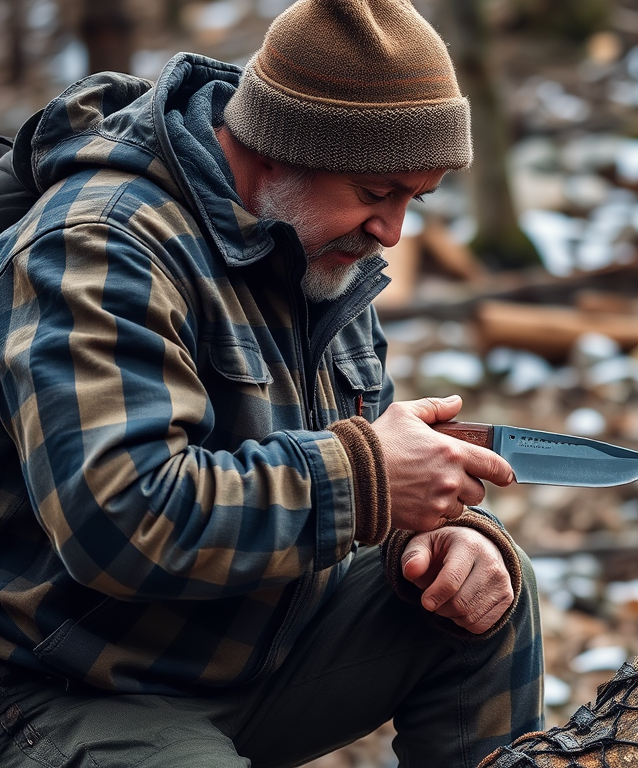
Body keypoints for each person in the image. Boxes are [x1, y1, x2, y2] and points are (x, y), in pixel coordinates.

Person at [0, 0, 544, 765]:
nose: (393, 233)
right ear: (278, 149)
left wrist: (436, 534)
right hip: (66, 688)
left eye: (412, 200)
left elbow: (355, 489)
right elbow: (119, 521)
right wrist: (363, 477)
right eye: (376, 192)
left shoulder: (320, 252)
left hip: (249, 655)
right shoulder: (101, 245)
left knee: (483, 589)